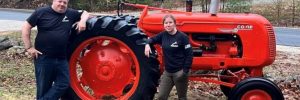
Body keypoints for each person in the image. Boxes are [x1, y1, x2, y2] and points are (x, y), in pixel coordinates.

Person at [21, 0, 90, 99]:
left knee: (64, 83)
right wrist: (29, 47)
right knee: (43, 88)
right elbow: (26, 27)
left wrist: (82, 21)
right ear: (53, 1)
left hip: (61, 59)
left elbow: (85, 13)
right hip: (44, 58)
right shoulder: (41, 12)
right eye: (60, 1)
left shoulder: (70, 13)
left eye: (65, 2)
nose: (62, 4)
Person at [144, 14, 193, 100]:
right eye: (166, 23)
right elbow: (151, 39)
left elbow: (189, 55)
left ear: (175, 23)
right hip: (168, 72)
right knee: (161, 96)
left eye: (170, 22)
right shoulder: (163, 35)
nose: (168, 25)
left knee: (182, 97)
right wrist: (147, 44)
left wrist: (184, 71)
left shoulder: (182, 37)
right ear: (163, 25)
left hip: (180, 72)